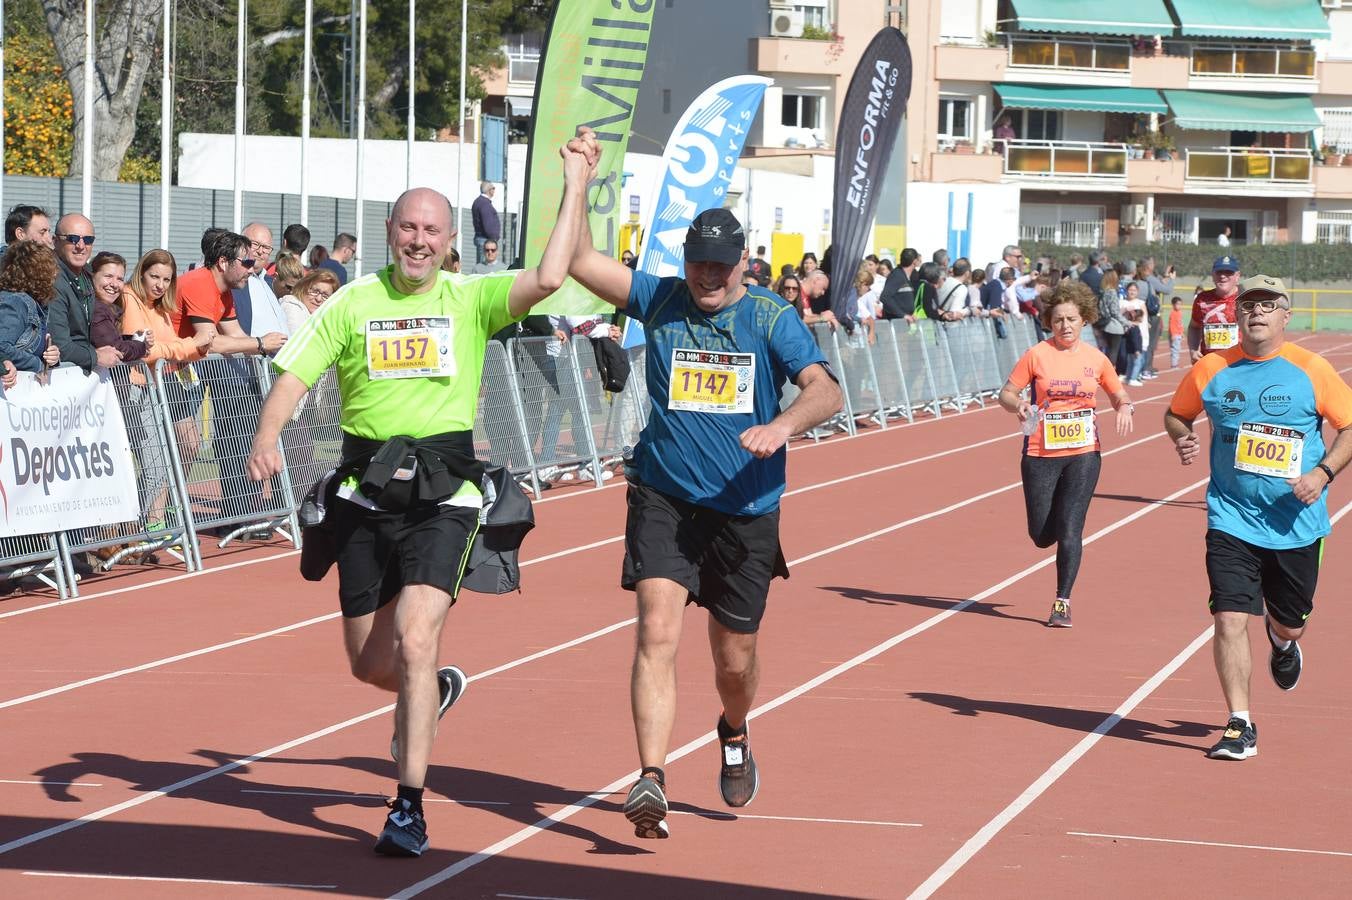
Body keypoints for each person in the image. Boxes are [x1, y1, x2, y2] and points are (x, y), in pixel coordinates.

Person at [246, 134, 591, 857]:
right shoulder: (350, 303)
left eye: (433, 230)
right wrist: (265, 436)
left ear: (449, 241)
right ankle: (431, 692)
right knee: (370, 666)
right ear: (389, 233)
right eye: (409, 227)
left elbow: (553, 275)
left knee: (414, 638)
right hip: (364, 495)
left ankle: (408, 807)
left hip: (446, 494)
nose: (419, 240)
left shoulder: (470, 300)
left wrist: (576, 181)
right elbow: (291, 380)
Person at [565, 126, 843, 841]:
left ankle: (735, 729)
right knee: (657, 629)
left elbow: (826, 391)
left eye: (721, 268)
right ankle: (651, 778)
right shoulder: (659, 300)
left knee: (733, 659)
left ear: (742, 263)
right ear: (685, 261)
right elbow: (573, 260)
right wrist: (577, 181)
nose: (709, 280)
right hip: (664, 495)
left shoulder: (770, 318)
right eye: (699, 267)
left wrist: (782, 427)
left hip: (745, 509)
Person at [1164, 275, 1352, 761]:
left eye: (1268, 305)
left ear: (1286, 316)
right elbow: (1176, 413)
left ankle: (1283, 642)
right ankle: (1239, 724)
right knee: (1228, 617)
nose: (1257, 313)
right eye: (1249, 304)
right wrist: (1180, 434)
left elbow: (1350, 425)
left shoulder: (1311, 369)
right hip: (1230, 516)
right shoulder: (1212, 368)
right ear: (1237, 314)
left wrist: (1323, 472)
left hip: (1296, 524)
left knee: (1290, 624)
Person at [998, 280, 1134, 628]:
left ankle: (1062, 601)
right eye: (1058, 319)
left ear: (1084, 320)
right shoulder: (1036, 355)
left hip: (1084, 453)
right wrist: (1019, 406)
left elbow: (1118, 393)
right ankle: (1054, 525)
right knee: (1042, 535)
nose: (1065, 326)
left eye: (1072, 319)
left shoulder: (1096, 358)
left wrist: (1124, 407)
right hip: (1040, 452)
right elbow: (1006, 394)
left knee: (1071, 530)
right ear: (1050, 321)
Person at [122, 249, 215, 532]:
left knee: (170, 455)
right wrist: (192, 344)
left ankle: (155, 517)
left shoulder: (160, 308)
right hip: (136, 388)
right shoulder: (130, 299)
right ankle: (149, 521)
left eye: (166, 278)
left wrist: (198, 347)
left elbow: (171, 344)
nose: (160, 284)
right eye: (154, 276)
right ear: (141, 274)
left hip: (161, 385)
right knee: (155, 460)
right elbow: (147, 351)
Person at [47, 213, 121, 374]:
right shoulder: (51, 279)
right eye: (72, 238)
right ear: (55, 241)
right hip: (59, 380)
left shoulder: (87, 274)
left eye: (88, 240)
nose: (81, 246)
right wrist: (95, 356)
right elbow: (59, 345)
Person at [0, 241, 63, 378]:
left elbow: (34, 346)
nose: (54, 275)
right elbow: (2, 347)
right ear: (37, 273)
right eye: (50, 269)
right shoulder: (16, 303)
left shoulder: (37, 304)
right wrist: (38, 365)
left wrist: (52, 357)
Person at [1189, 256, 1241, 362]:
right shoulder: (1202, 300)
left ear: (1237, 276)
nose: (1223, 276)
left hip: (1240, 364)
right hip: (1210, 365)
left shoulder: (1246, 298)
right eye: (1219, 272)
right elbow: (1194, 327)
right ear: (1212, 275)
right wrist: (1193, 350)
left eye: (1228, 272)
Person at [279, 268, 339, 335]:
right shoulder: (292, 308)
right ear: (303, 287)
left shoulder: (322, 317)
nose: (318, 299)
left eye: (325, 296)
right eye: (315, 291)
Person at [471, 181, 501, 263]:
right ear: (489, 190)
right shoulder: (484, 204)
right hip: (486, 240)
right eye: (493, 188)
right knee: (484, 268)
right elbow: (488, 225)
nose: (494, 191)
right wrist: (493, 239)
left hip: (482, 239)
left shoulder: (478, 202)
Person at [1168, 297, 1185, 368]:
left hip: (1178, 334)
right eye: (1177, 304)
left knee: (1177, 349)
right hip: (1175, 334)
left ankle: (1175, 363)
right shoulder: (1173, 313)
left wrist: (1182, 332)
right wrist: (1173, 334)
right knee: (1175, 350)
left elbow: (1180, 324)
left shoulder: (1180, 313)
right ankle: (1174, 364)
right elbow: (1171, 324)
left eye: (1180, 304)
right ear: (1173, 305)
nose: (1179, 306)